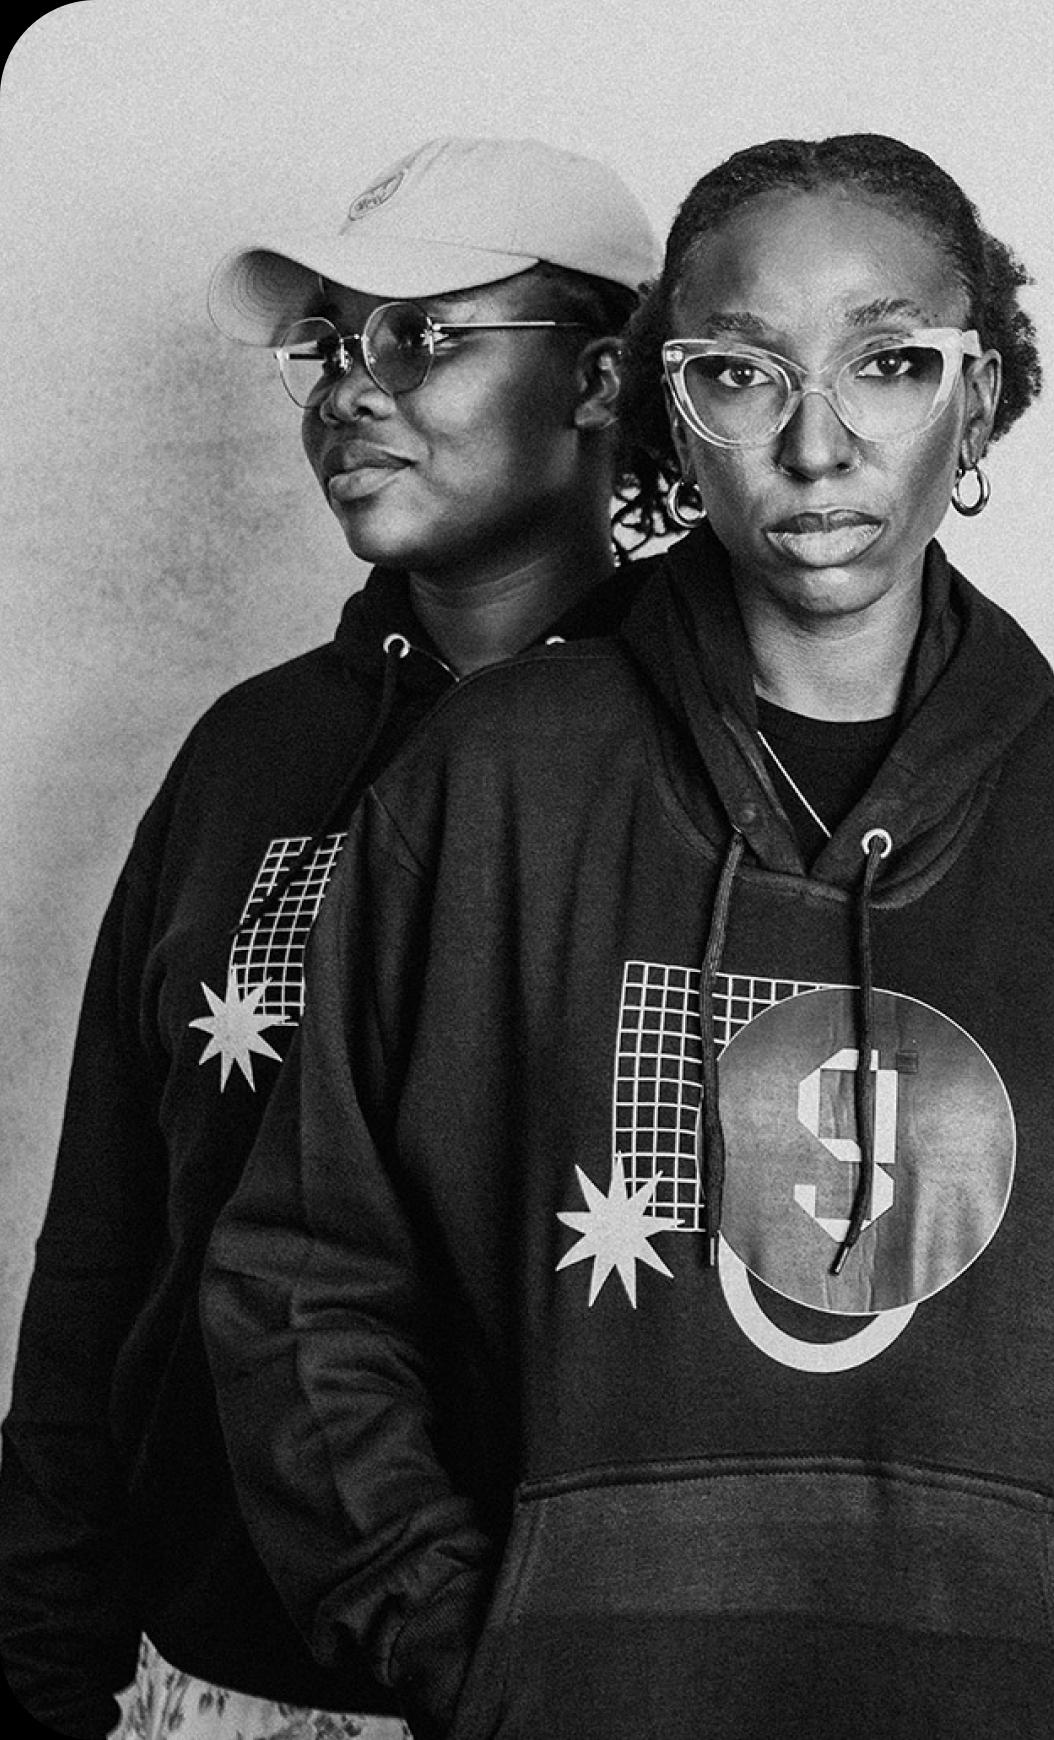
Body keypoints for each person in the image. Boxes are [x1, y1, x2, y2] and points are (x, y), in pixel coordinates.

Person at [200, 132, 1054, 1740]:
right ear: (667, 407)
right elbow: (305, 1273)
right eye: (740, 373)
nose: (818, 442)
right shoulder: (495, 780)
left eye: (891, 364)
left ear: (981, 396)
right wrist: (463, 1651)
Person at [0, 133, 664, 1740]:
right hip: (216, 1664)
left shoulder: (706, 757)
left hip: (586, 1675)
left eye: (423, 335)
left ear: (599, 377)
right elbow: (108, 1236)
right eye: (330, 342)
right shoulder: (253, 754)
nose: (351, 389)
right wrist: (42, 1648)